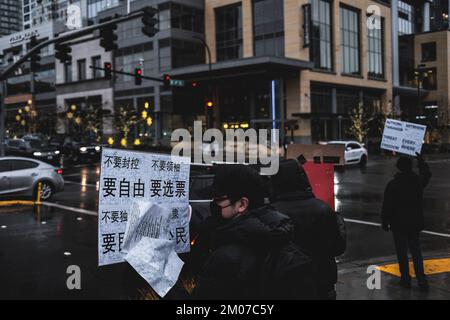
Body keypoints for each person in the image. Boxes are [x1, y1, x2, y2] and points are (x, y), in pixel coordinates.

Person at [191, 164, 314, 299]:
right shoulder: (278, 235)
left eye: (219, 200)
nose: (213, 204)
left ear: (242, 204)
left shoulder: (227, 256)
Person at [271, 159, 346, 300]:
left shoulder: (272, 213)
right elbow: (338, 247)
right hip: (321, 282)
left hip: (286, 285)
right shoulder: (323, 209)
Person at [381, 153, 431, 290]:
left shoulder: (393, 185)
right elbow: (426, 175)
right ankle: (421, 279)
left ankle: (405, 279)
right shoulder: (417, 183)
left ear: (399, 168)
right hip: (414, 223)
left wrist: (385, 221)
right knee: (416, 251)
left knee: (401, 252)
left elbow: (387, 205)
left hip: (398, 224)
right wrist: (421, 161)